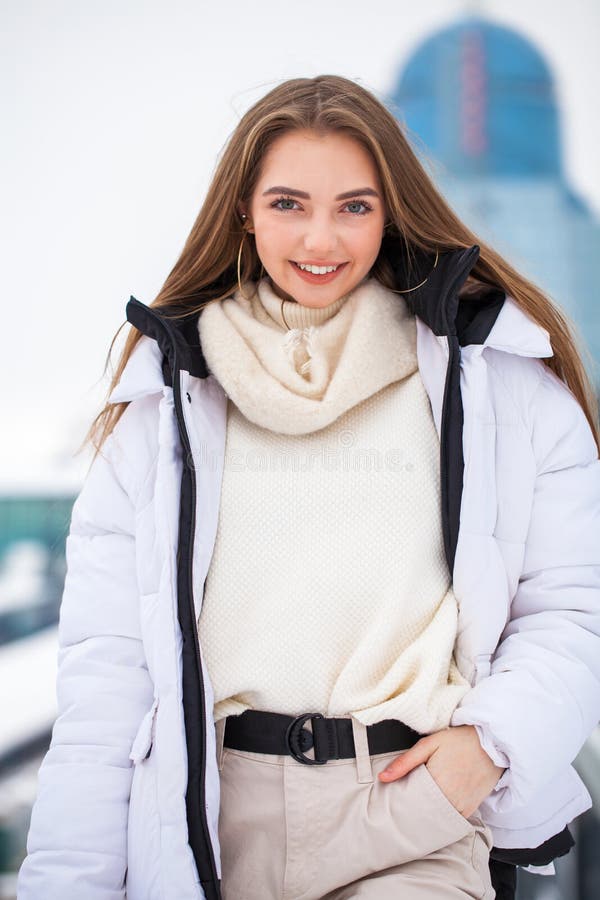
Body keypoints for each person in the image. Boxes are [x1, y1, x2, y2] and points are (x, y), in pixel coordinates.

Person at [17, 74, 600, 900]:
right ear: (244, 212)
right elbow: (107, 678)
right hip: (209, 826)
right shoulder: (165, 403)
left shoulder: (499, 382)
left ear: (391, 212)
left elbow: (575, 608)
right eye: (289, 203)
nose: (321, 237)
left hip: (410, 810)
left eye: (355, 206)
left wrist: (490, 745)